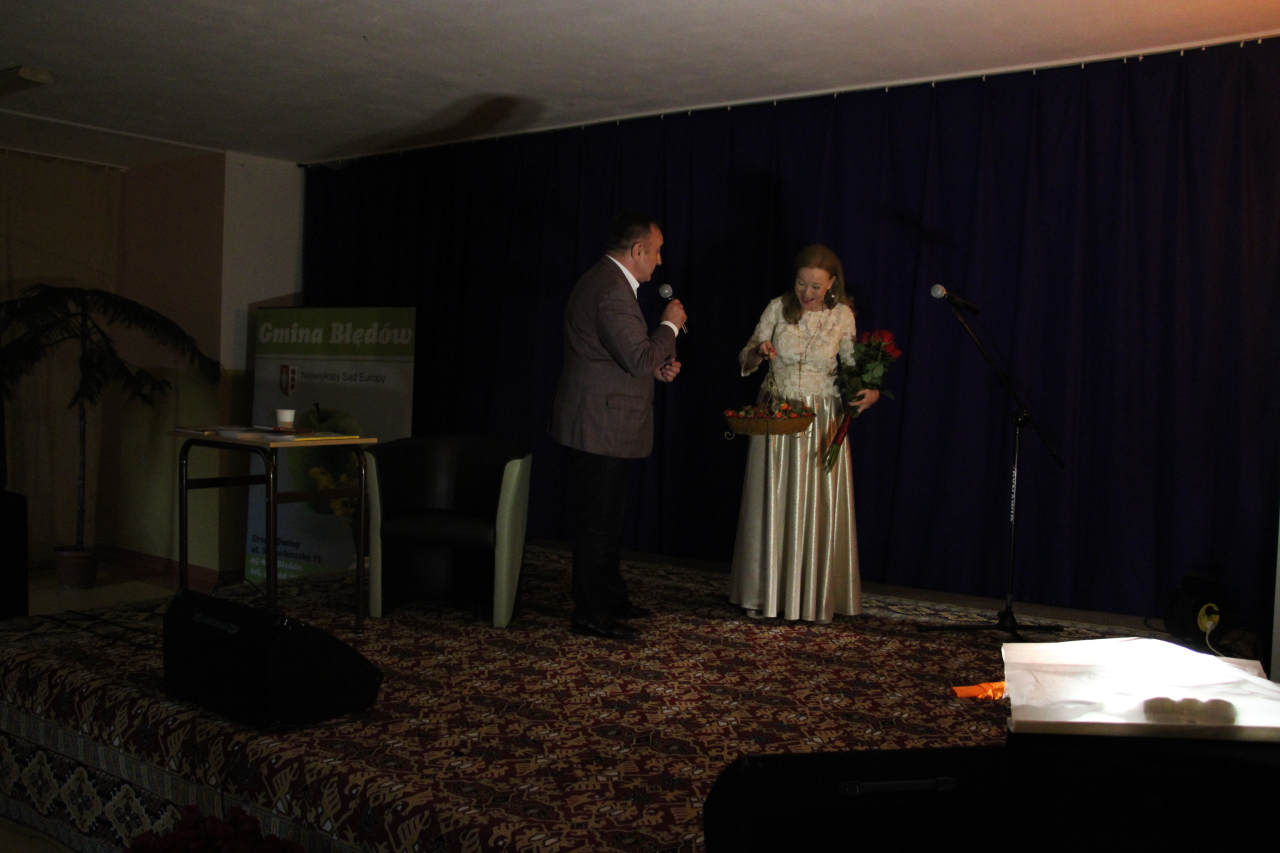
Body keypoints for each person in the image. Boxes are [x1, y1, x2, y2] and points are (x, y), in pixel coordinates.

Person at [549, 211, 687, 640]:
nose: (660, 261)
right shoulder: (610, 289)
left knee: (608, 521)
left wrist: (658, 366)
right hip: (599, 425)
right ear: (637, 250)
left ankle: (609, 597)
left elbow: (624, 356)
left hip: (605, 423)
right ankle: (591, 611)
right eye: (657, 251)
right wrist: (670, 325)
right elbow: (639, 357)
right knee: (599, 525)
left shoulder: (607, 282)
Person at [729, 244, 878, 623]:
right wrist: (760, 351)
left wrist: (870, 389)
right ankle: (764, 593)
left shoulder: (841, 316)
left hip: (821, 419)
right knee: (772, 499)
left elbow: (852, 368)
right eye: (801, 283)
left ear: (832, 284)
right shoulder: (777, 308)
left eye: (815, 286)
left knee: (816, 503)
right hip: (777, 415)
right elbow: (745, 356)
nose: (806, 293)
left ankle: (812, 596)